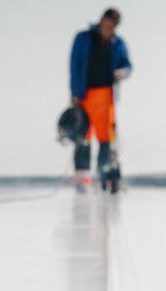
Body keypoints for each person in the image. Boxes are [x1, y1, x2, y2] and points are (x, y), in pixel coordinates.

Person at [69, 9, 131, 192]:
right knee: (82, 138)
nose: (107, 28)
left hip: (106, 97)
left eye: (111, 27)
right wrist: (74, 93)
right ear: (101, 20)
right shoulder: (82, 38)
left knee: (106, 139)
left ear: (115, 27)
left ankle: (104, 178)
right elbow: (74, 65)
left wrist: (122, 72)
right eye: (106, 23)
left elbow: (127, 65)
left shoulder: (118, 43)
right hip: (84, 95)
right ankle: (81, 180)